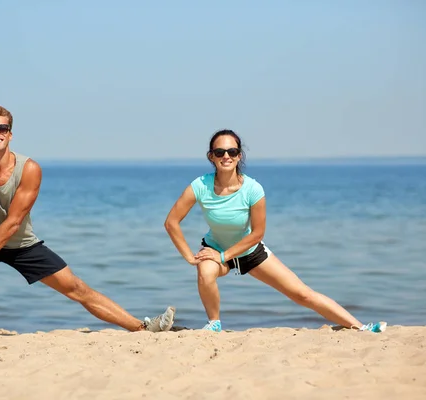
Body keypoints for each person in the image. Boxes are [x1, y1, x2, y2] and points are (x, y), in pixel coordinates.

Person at [0, 105, 175, 336]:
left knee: (76, 288)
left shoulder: (29, 169)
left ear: (10, 134)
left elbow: (13, 223)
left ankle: (141, 327)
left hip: (20, 242)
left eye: (2, 128)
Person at [164, 129, 386, 333]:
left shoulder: (253, 189)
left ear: (239, 155)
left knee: (302, 294)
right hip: (216, 249)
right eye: (219, 152)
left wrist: (224, 256)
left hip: (249, 250)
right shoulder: (200, 185)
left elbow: (257, 234)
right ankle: (214, 323)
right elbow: (171, 222)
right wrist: (190, 257)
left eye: (232, 151)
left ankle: (359, 327)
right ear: (211, 156)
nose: (226, 156)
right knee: (205, 272)